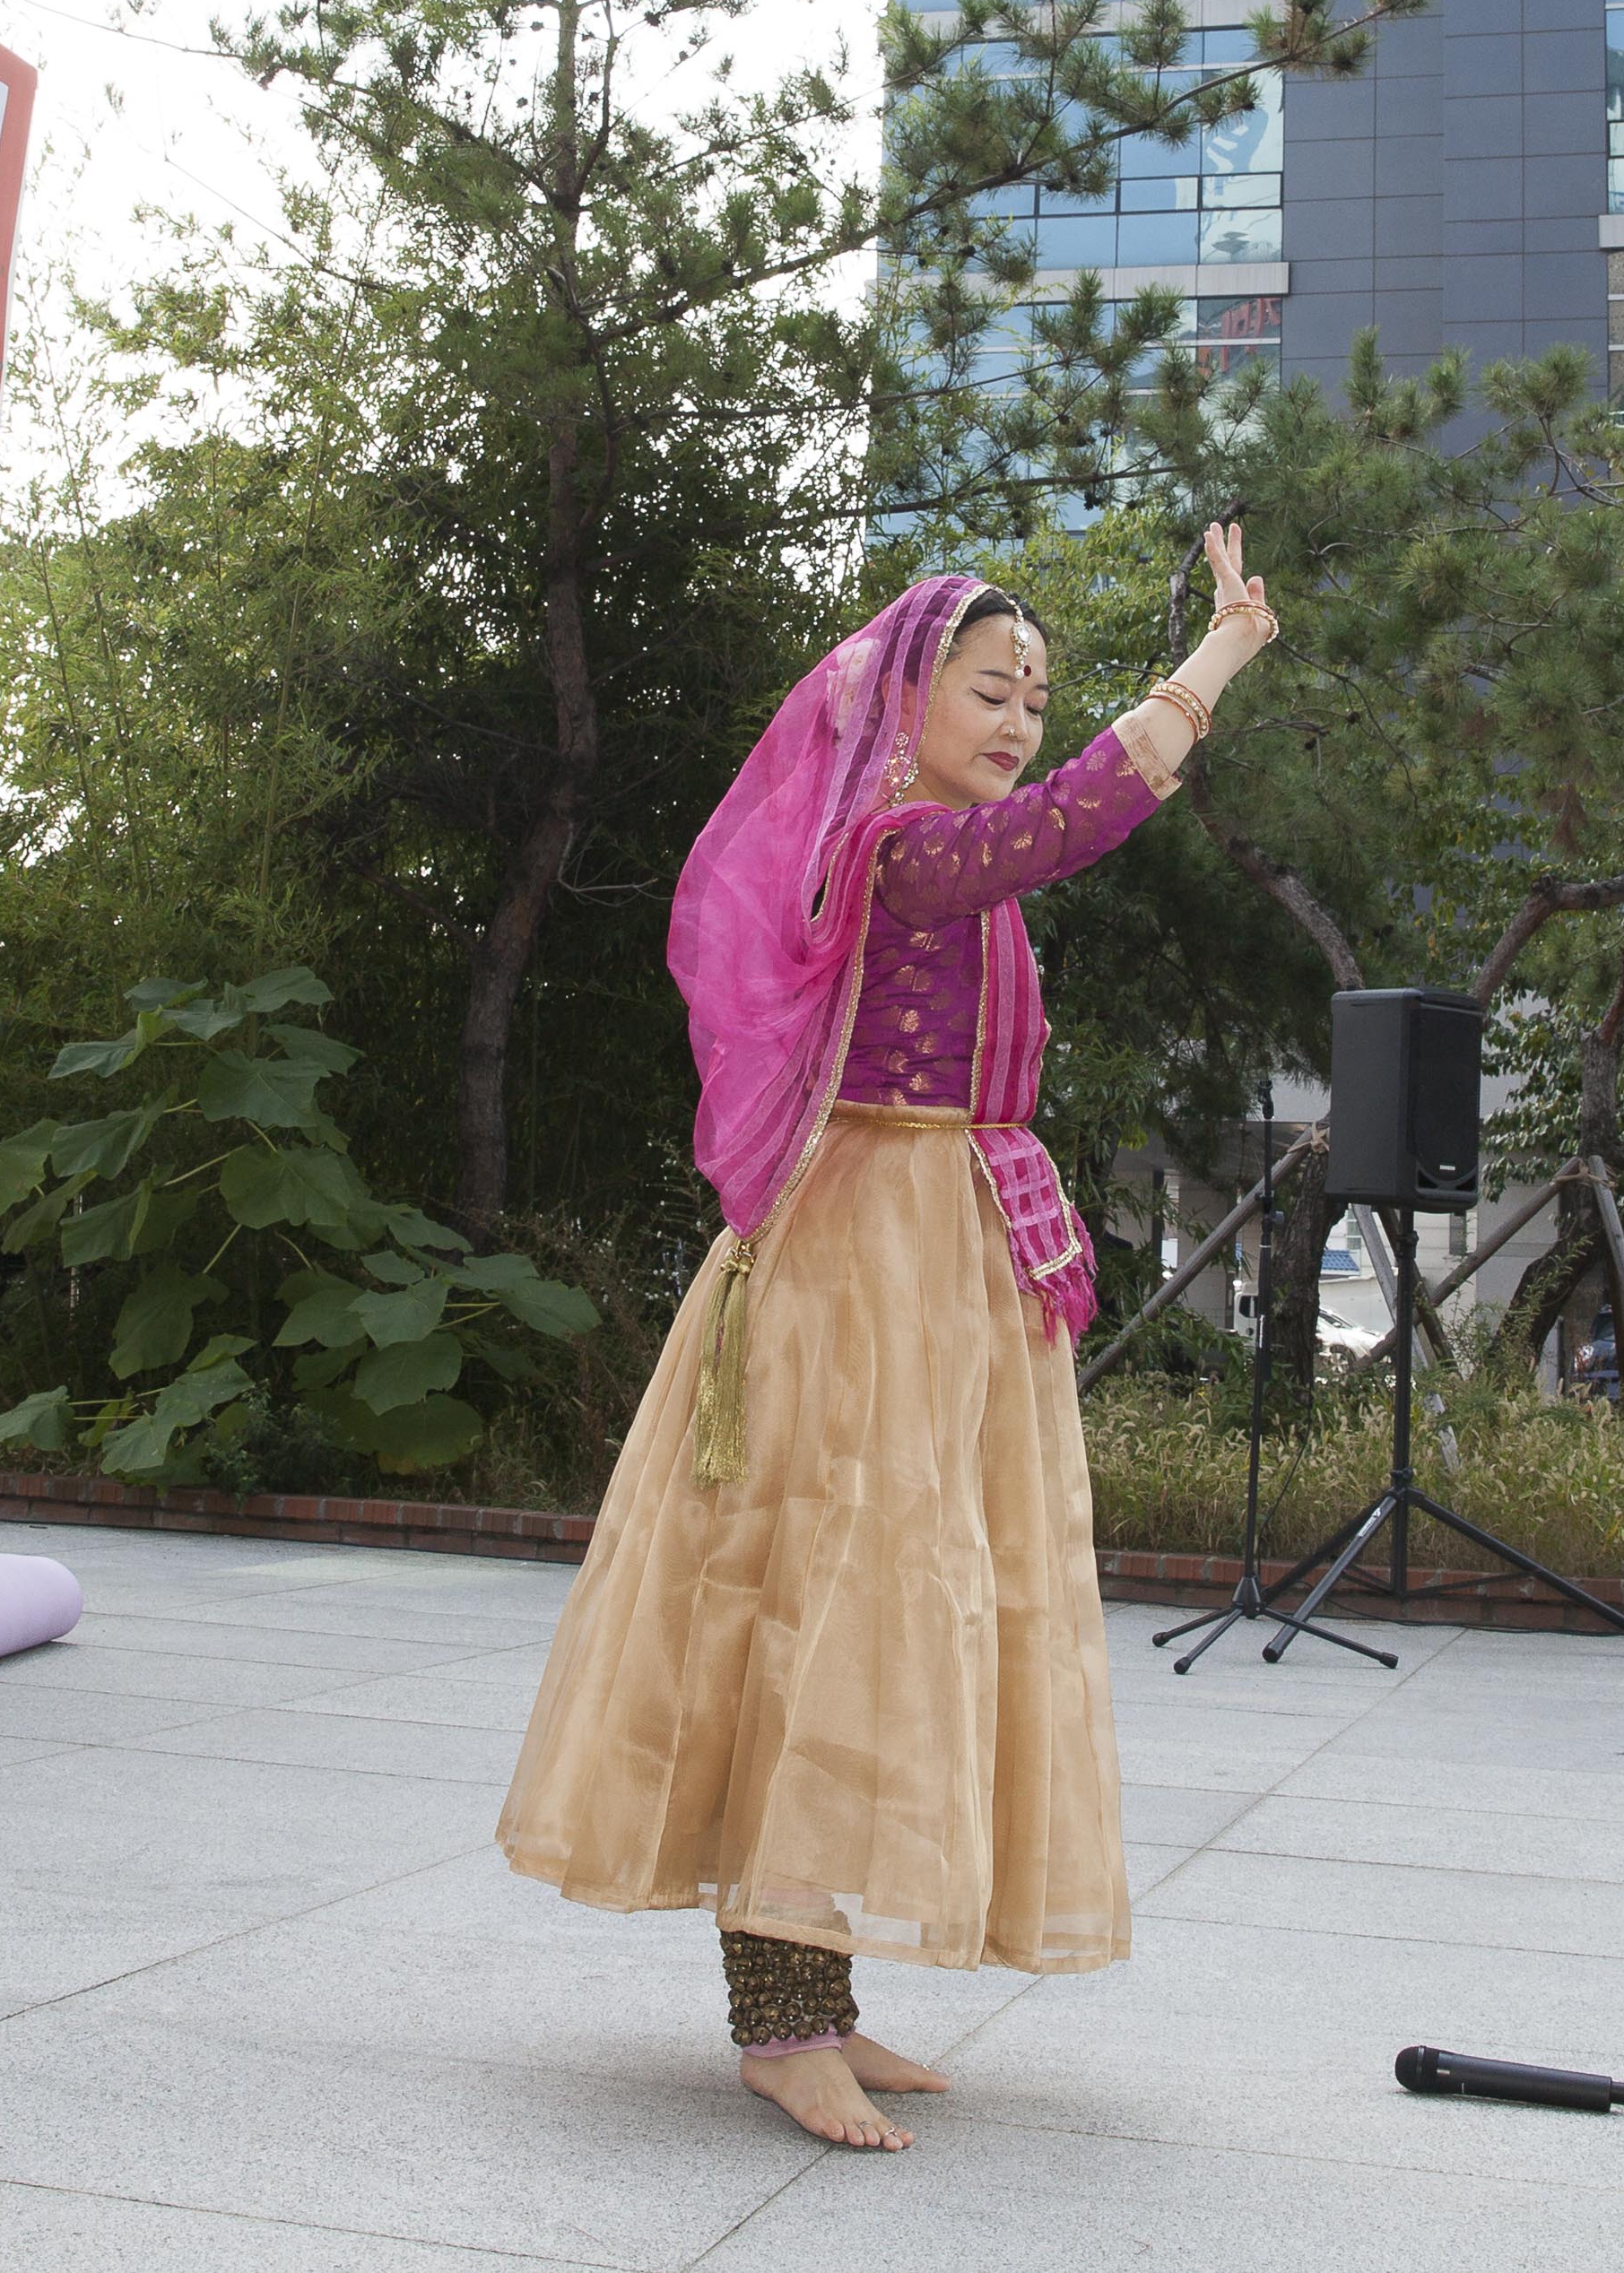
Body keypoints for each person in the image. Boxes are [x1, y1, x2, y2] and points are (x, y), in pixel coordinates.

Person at [497, 534, 1280, 2153]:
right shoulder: (891, 848)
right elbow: (1067, 824)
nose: (1016, 715)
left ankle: (824, 1997)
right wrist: (1209, 664)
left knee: (899, 1611)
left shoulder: (938, 852)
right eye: (992, 688)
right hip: (861, 1256)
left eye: (1034, 694)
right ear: (901, 696)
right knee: (826, 1602)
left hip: (948, 1250)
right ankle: (776, 2022)